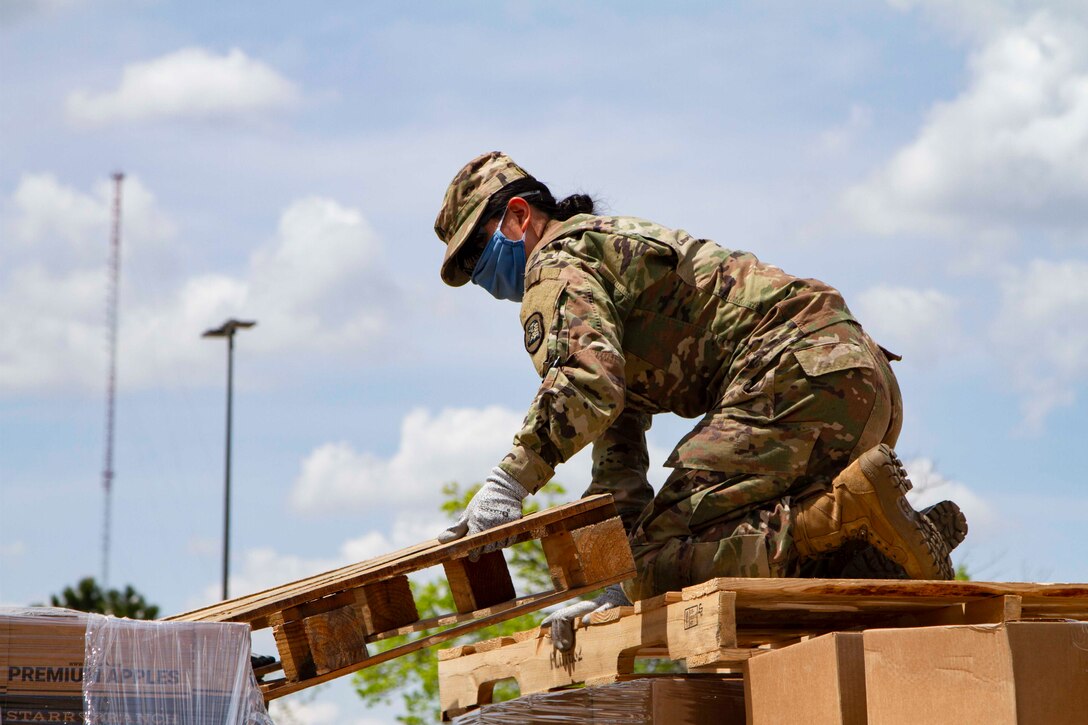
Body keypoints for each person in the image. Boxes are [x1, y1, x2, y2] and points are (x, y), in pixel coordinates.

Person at [433, 151, 967, 651]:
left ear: (519, 215)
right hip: (850, 378)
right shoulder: (597, 252)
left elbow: (584, 383)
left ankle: (847, 515)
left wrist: (508, 484)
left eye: (478, 251)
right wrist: (622, 588)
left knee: (659, 561)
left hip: (793, 377)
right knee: (669, 555)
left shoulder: (554, 265)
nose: (479, 275)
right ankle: (881, 548)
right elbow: (616, 446)